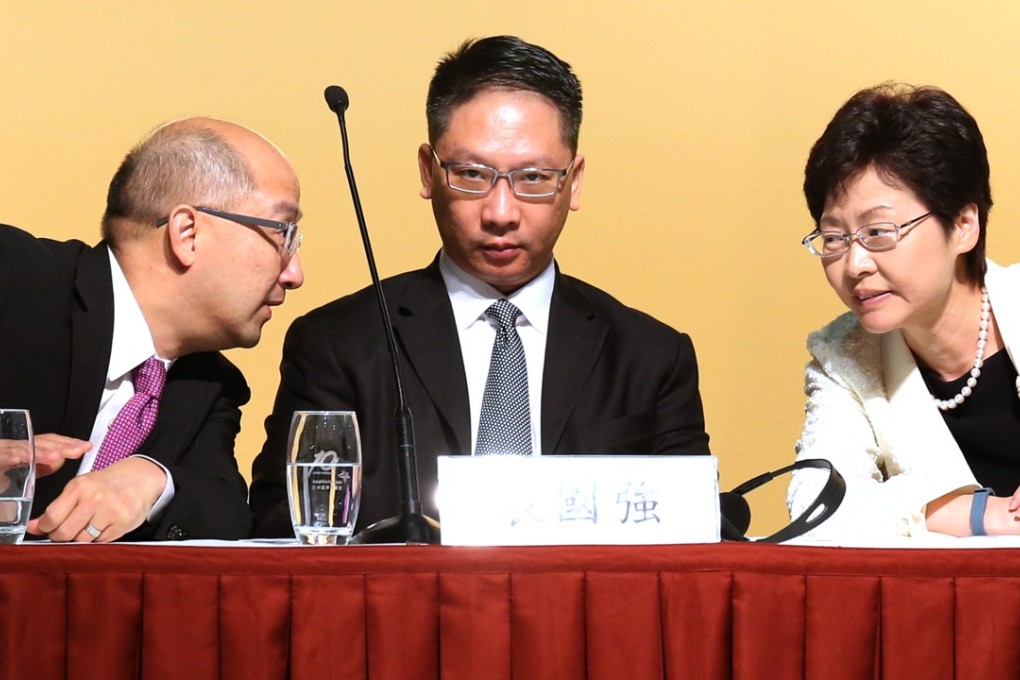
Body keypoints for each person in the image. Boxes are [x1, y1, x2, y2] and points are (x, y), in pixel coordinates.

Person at [250, 35, 710, 536]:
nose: (501, 213)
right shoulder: (339, 344)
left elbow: (692, 537)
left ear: (573, 181)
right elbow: (284, 529)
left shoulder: (651, 357)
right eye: (471, 174)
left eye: (533, 178)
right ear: (428, 171)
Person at [0, 118, 304, 542]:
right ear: (187, 233)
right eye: (282, 233)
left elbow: (227, 513)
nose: (294, 274)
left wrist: (157, 480)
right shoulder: (13, 276)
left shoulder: (210, 386)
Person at [788, 83, 1020, 539]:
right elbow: (814, 505)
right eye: (834, 238)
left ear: (963, 226)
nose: (855, 265)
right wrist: (970, 514)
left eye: (879, 231)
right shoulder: (844, 357)